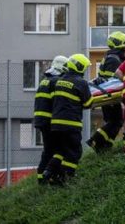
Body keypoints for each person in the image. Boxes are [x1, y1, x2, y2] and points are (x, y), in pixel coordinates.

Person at [42, 54, 93, 185]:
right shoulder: (81, 83)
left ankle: (48, 171)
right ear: (80, 67)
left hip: (56, 124)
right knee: (74, 152)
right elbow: (88, 104)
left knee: (60, 150)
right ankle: (66, 177)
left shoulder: (59, 81)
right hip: (71, 124)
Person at [86, 31, 125, 152]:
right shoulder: (114, 60)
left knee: (116, 122)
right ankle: (96, 140)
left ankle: (105, 146)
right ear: (121, 44)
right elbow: (112, 81)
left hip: (108, 96)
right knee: (116, 121)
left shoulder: (110, 57)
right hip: (109, 96)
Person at [33, 55, 68, 185]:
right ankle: (51, 175)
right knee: (59, 149)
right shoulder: (56, 82)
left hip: (42, 120)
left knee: (48, 150)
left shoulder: (45, 80)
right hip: (50, 121)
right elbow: (58, 102)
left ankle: (42, 178)